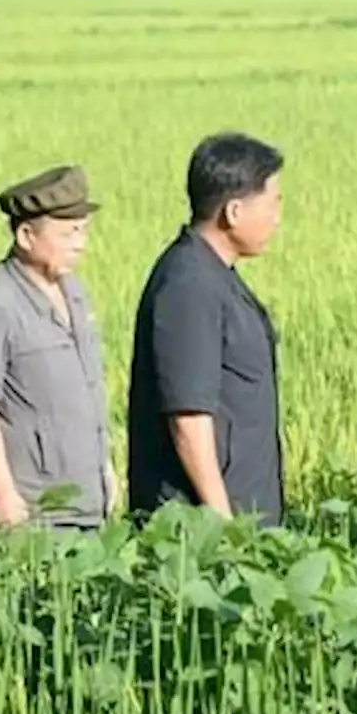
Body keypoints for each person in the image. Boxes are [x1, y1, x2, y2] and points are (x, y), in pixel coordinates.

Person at [126, 132, 286, 528]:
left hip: (241, 516)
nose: (277, 217)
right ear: (233, 211)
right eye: (272, 203)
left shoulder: (215, 275)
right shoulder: (189, 286)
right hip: (201, 531)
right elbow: (188, 415)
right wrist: (222, 524)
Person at [0, 165, 115, 529]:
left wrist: (106, 471)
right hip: (35, 512)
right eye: (67, 234)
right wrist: (2, 494)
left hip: (87, 503)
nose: (80, 244)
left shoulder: (75, 293)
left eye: (83, 231)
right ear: (25, 235)